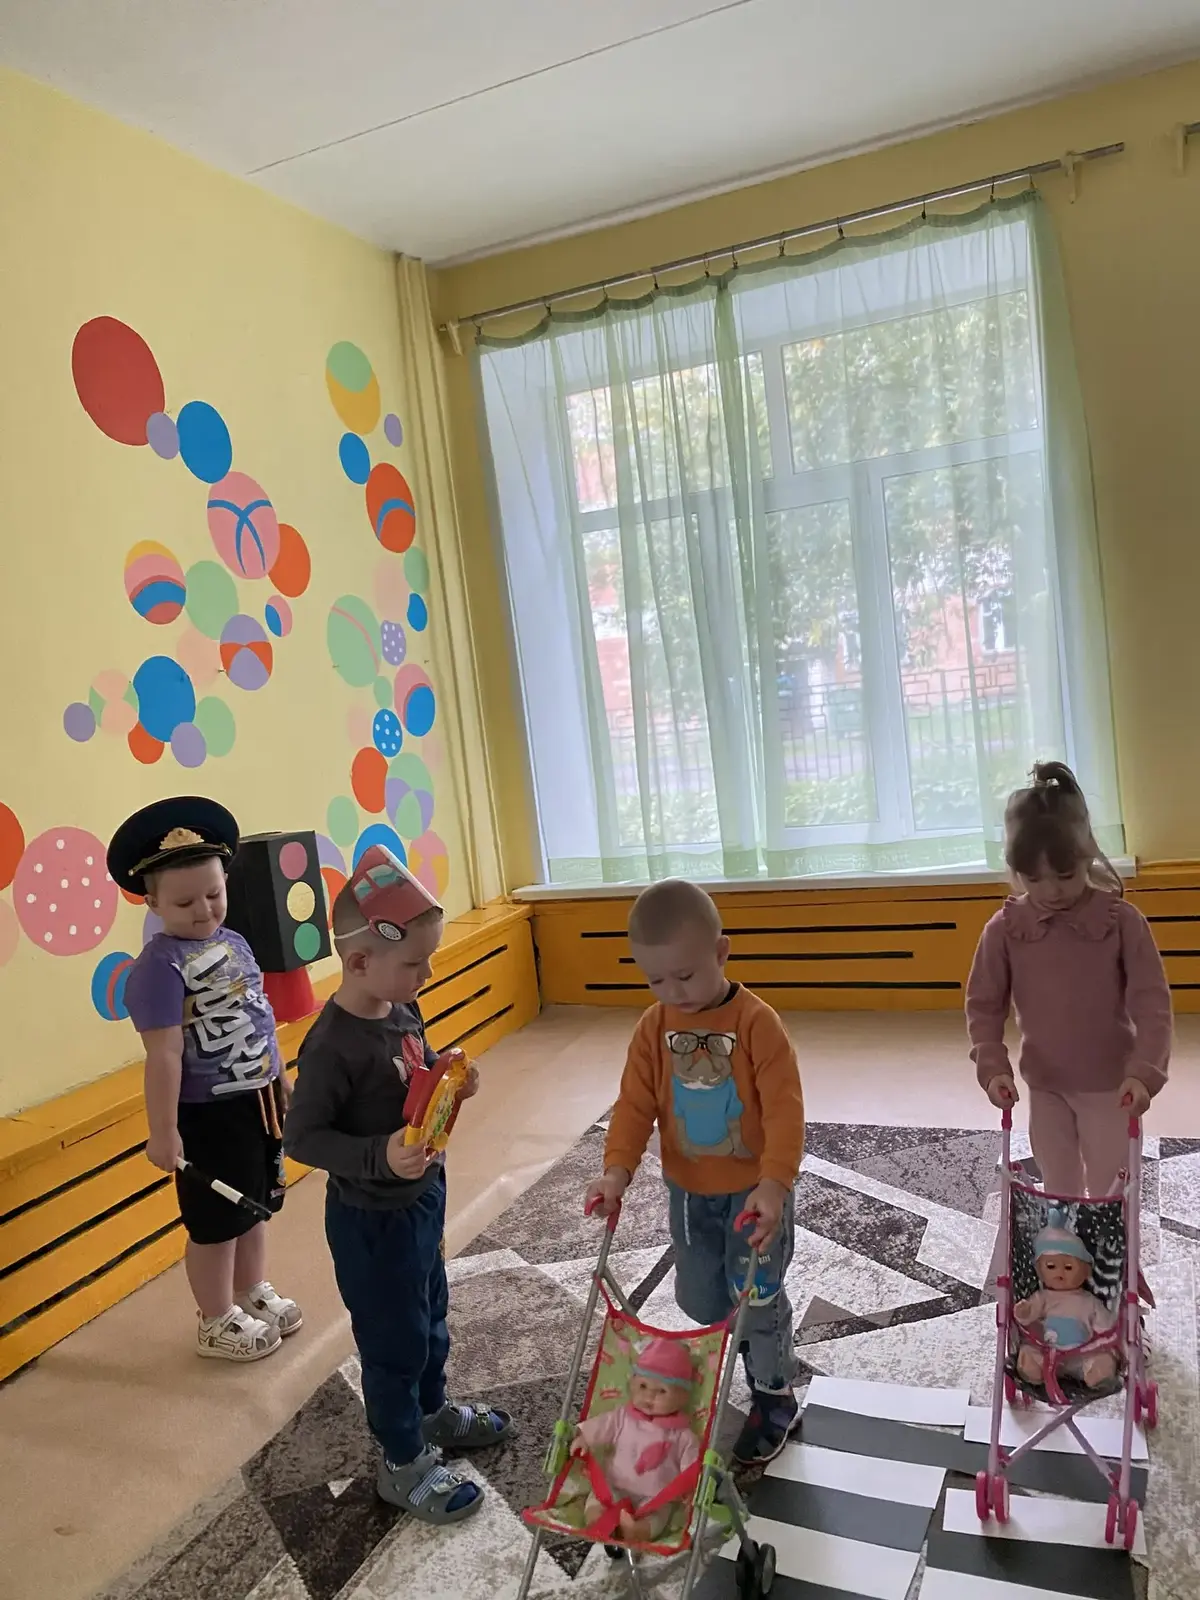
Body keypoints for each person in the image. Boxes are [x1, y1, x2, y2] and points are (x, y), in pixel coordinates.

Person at [284, 846, 513, 1523]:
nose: (427, 972)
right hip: (371, 1221)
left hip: (420, 1202)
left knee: (431, 1319)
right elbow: (303, 1139)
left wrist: (451, 1079)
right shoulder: (331, 1045)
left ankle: (431, 1414)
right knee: (394, 1343)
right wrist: (379, 1155)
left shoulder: (399, 1005)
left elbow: (416, 1066)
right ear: (359, 962)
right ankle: (401, 1460)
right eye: (416, 962)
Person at [583, 879, 806, 1465]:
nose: (672, 991)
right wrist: (615, 1172)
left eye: (685, 975)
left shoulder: (757, 1024)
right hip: (688, 1193)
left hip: (755, 1197)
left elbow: (785, 1110)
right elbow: (634, 1106)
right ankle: (742, 1351)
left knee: (756, 1300)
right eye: (656, 980)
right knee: (703, 1300)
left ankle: (774, 1392)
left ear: (721, 952)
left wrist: (775, 1182)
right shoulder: (652, 1029)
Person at [109, 798, 301, 1362]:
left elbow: (260, 1017)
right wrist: (163, 1130)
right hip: (208, 1116)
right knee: (215, 1221)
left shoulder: (235, 942)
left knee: (256, 1204)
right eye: (184, 901)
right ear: (152, 902)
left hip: (258, 1101)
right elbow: (163, 1056)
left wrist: (280, 1076)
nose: (204, 910)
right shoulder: (157, 968)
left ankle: (249, 1289)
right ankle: (214, 1318)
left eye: (214, 894)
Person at [967, 761, 1172, 1198]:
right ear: (1015, 871)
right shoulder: (1004, 929)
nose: (1052, 891)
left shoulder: (1121, 921)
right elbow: (984, 1004)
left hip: (1112, 1087)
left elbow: (1152, 1005)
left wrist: (1145, 1072)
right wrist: (992, 1066)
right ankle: (1064, 1244)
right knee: (1058, 1190)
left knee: (1110, 1192)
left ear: (1088, 856)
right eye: (1033, 879)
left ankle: (1110, 1244)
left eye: (1065, 876)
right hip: (1045, 1087)